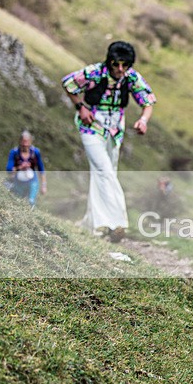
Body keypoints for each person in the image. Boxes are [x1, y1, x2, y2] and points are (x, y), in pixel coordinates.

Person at [62, 40, 156, 242]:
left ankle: (92, 224)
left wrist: (143, 120)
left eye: (125, 65)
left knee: (105, 173)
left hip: (115, 132)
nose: (120, 69)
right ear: (109, 62)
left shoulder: (131, 77)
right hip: (91, 128)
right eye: (116, 64)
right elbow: (69, 84)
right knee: (104, 170)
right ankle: (117, 223)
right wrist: (80, 107)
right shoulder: (95, 72)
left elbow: (148, 101)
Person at [5, 130, 47, 207]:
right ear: (20, 141)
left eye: (27, 142)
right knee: (18, 202)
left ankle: (32, 212)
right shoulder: (14, 152)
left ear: (30, 142)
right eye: (23, 141)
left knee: (31, 201)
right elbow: (8, 169)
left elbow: (41, 169)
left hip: (32, 182)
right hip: (18, 182)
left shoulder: (35, 152)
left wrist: (43, 185)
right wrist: (20, 167)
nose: (25, 144)